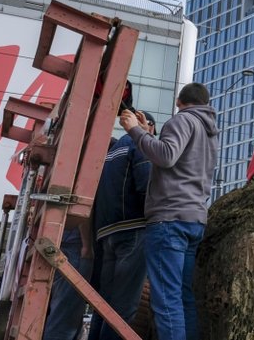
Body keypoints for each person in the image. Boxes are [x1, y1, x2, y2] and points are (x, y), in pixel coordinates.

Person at [119, 83, 219, 340]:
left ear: (178, 100)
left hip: (169, 220)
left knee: (166, 301)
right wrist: (147, 131)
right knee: (184, 298)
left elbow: (166, 156)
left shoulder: (181, 120)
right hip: (193, 220)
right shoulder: (208, 131)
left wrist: (135, 131)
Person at [89, 112, 154, 340]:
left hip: (106, 233)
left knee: (104, 306)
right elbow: (147, 188)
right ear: (150, 128)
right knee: (123, 309)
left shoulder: (110, 153)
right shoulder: (139, 143)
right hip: (133, 230)